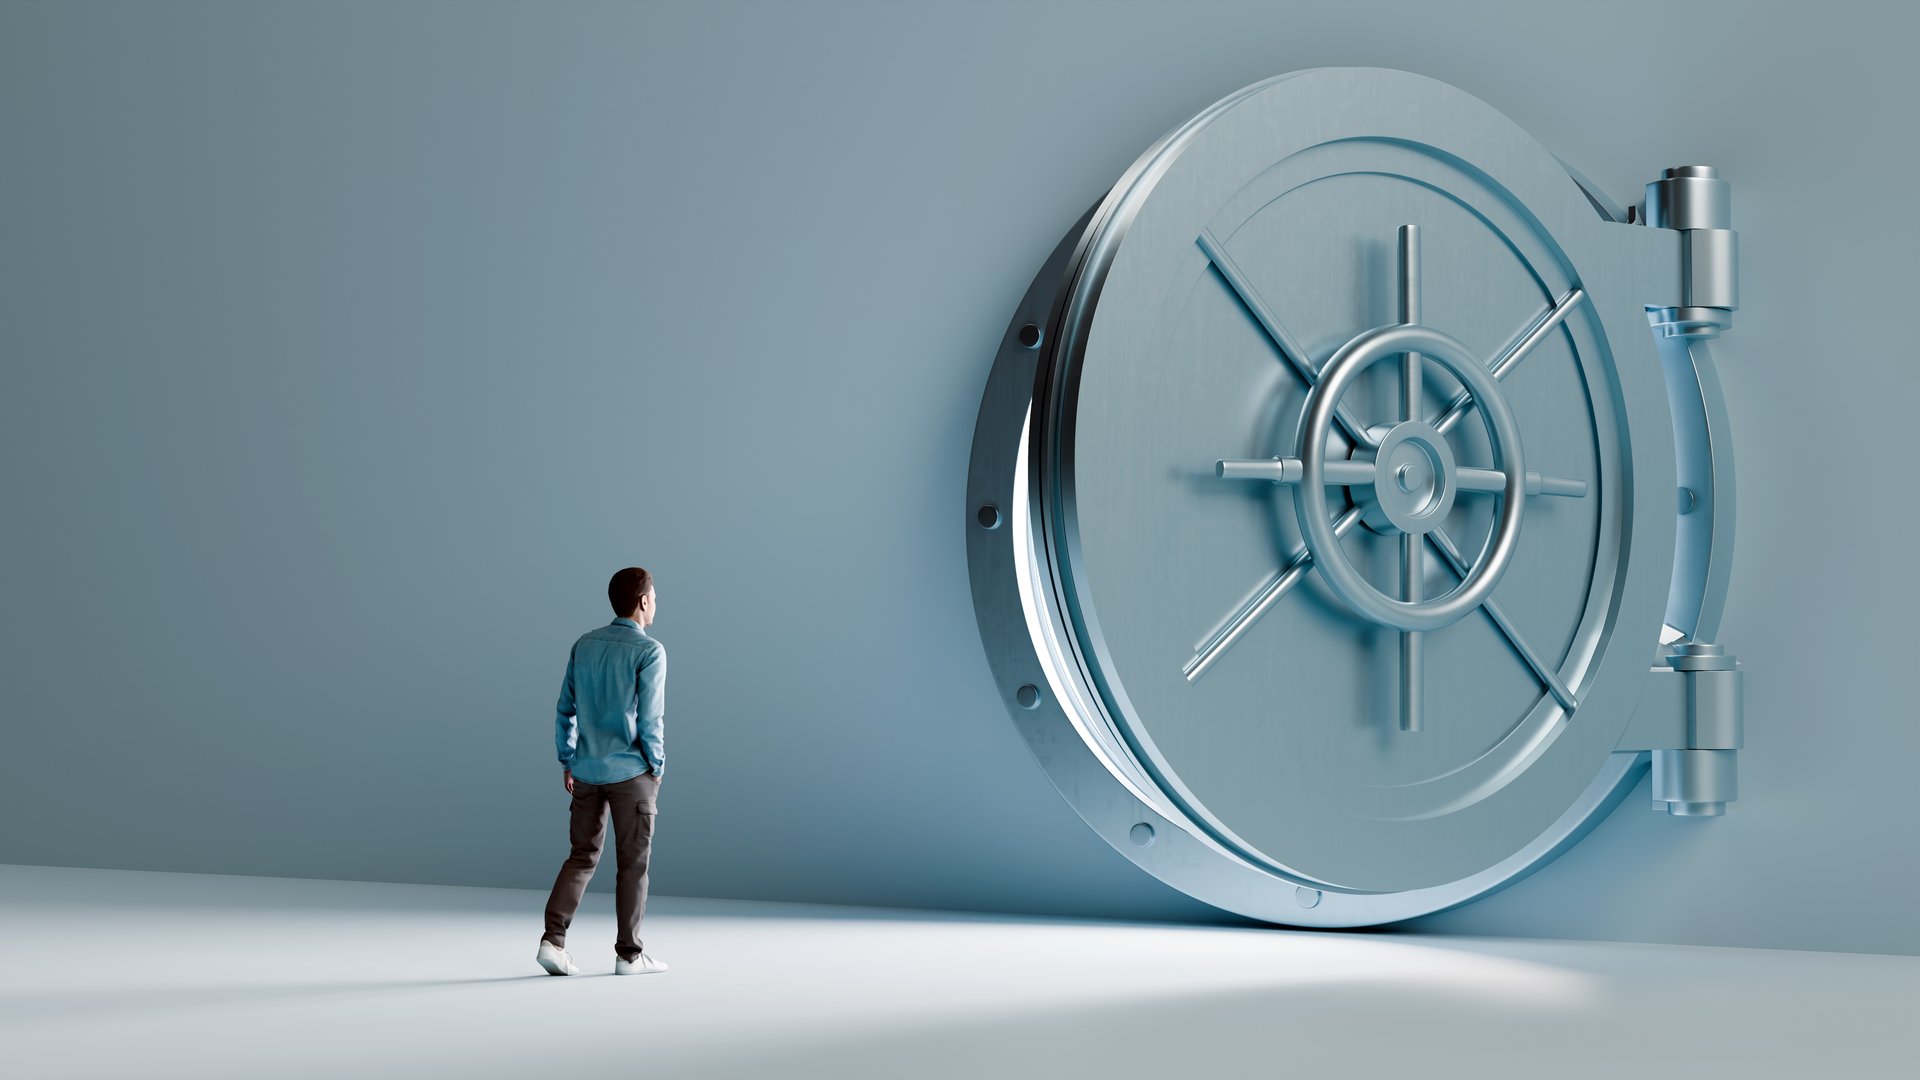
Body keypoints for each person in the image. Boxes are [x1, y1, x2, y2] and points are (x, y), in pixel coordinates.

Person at [536, 567, 669, 976]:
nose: (656, 602)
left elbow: (565, 710)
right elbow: (650, 720)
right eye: (654, 596)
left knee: (581, 856)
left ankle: (552, 941)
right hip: (632, 774)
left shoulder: (584, 644)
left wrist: (568, 759)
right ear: (643, 601)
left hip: (587, 771)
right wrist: (657, 766)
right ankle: (629, 955)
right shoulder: (649, 651)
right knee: (633, 865)